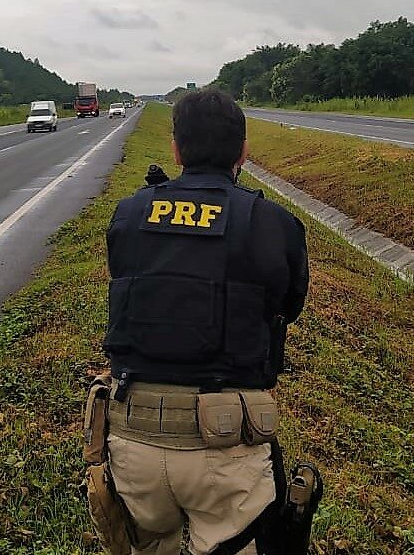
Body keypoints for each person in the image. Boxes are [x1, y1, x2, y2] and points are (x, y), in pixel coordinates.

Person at [101, 89, 309, 555]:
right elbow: (289, 307)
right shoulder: (273, 223)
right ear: (243, 151)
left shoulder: (131, 213)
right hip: (226, 444)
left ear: (175, 149)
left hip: (132, 438)